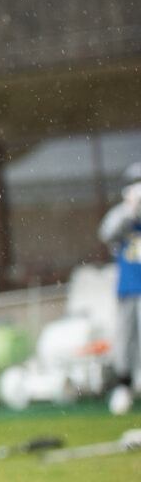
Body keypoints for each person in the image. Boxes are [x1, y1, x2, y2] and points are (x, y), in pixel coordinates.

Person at [100, 162, 141, 415]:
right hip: (128, 288)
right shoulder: (122, 216)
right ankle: (124, 386)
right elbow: (106, 233)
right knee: (126, 339)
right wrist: (130, 210)